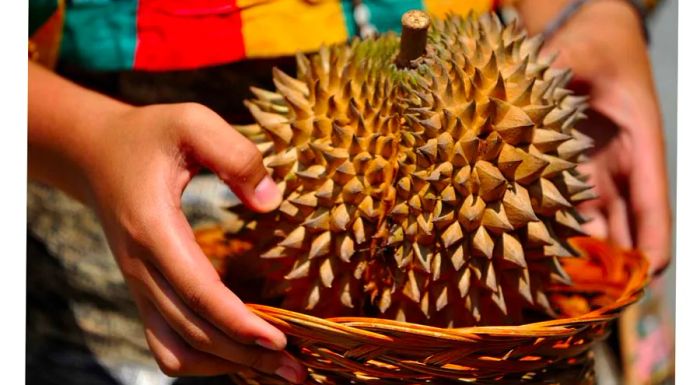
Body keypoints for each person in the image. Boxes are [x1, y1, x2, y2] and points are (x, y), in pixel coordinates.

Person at [28, 0, 671, 383]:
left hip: (514, 339)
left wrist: (593, 10)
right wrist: (90, 142)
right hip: (127, 292)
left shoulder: (506, 121)